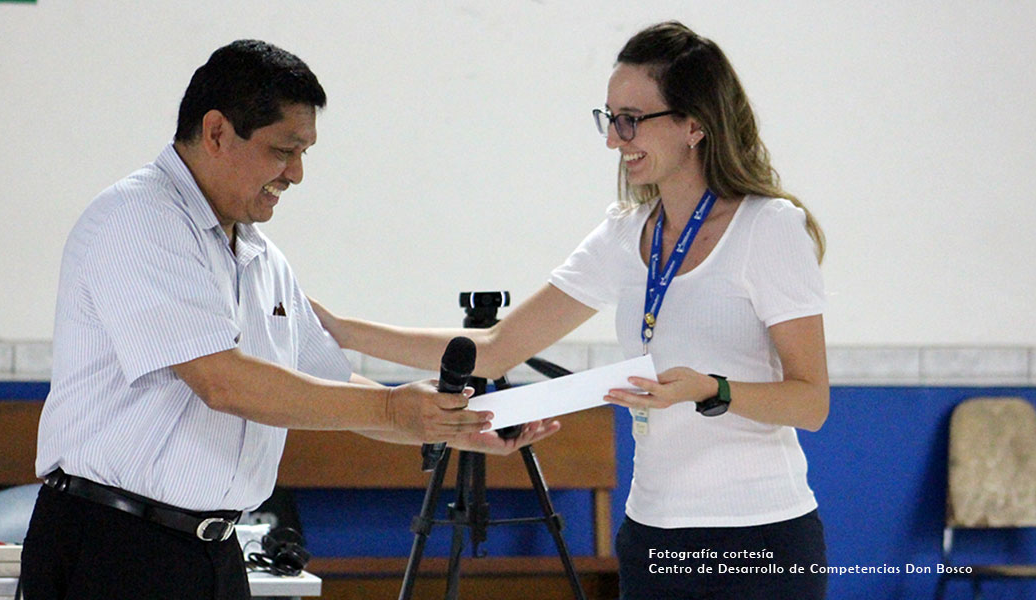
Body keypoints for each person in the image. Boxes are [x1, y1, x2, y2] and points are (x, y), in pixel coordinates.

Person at [311, 21, 829, 600]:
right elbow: (494, 349)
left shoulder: (769, 227)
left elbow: (811, 403)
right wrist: (340, 328)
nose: (614, 138)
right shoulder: (623, 234)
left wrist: (711, 389)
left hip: (759, 536)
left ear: (694, 124)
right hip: (653, 534)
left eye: (631, 119)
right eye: (610, 118)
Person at [19, 39, 554, 600]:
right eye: (283, 150)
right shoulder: (139, 220)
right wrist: (397, 408)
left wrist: (458, 425)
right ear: (218, 132)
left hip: (215, 550)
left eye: (305, 152)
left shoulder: (261, 256)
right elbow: (222, 382)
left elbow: (330, 383)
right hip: (114, 548)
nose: (296, 173)